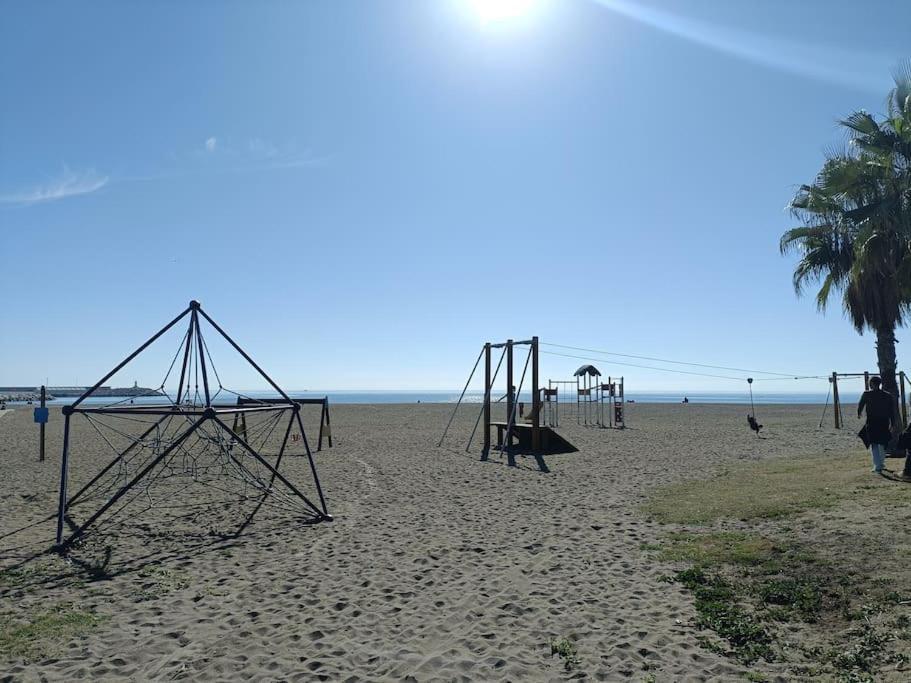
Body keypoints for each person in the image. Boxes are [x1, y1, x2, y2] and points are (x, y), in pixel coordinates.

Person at [857, 376, 895, 474]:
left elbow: (860, 404)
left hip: (872, 421)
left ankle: (877, 465)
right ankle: (881, 464)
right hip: (884, 421)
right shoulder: (887, 395)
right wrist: (893, 422)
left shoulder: (867, 394)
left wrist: (859, 413)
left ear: (872, 384)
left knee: (874, 443)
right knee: (882, 443)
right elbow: (891, 411)